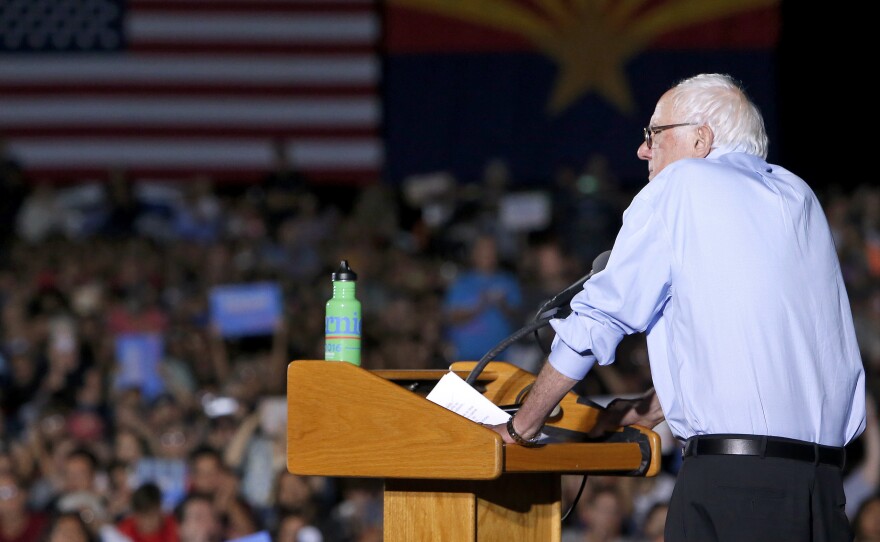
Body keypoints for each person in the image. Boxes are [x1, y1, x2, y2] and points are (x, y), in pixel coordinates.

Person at [491, 73, 866, 541]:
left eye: (654, 134)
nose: (643, 151)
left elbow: (600, 317)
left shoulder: (683, 183)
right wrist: (655, 407)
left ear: (701, 138)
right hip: (824, 491)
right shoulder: (798, 196)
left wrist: (524, 425)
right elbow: (766, 347)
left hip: (734, 490)